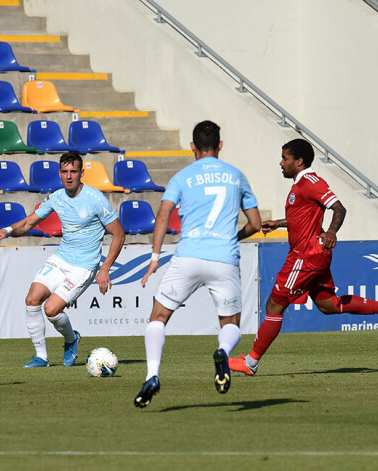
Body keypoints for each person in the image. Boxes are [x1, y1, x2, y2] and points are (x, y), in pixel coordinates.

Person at [134, 120, 261, 408]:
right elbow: (255, 224)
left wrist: (155, 257)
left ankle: (152, 375)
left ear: (192, 146)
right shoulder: (236, 176)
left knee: (159, 316)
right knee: (230, 322)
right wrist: (233, 236)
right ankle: (222, 353)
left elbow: (164, 213)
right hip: (224, 258)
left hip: (187, 257)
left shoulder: (183, 176)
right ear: (220, 145)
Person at [229, 139, 378, 376]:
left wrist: (331, 231)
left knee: (274, 304)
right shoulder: (301, 184)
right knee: (328, 305)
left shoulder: (311, 182)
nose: (281, 162)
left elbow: (339, 208)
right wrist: (277, 223)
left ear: (299, 161)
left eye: (285, 158)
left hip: (305, 256)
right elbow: (303, 217)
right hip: (314, 255)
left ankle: (251, 362)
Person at [0, 152, 125, 368]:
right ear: (60, 173)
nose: (69, 176)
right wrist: (7, 230)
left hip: (83, 266)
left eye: (73, 171)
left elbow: (119, 234)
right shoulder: (56, 197)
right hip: (61, 259)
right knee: (32, 300)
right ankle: (42, 358)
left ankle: (71, 339)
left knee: (51, 310)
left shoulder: (95, 199)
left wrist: (104, 269)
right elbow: (28, 223)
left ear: (82, 173)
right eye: (65, 172)